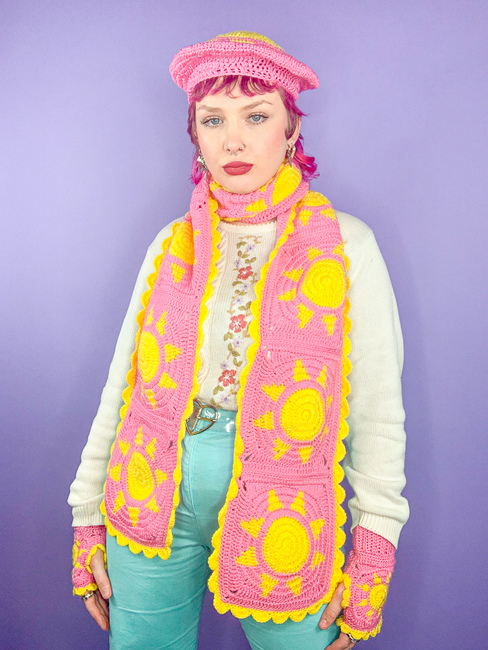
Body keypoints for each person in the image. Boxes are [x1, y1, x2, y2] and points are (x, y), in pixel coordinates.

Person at [68, 31, 409, 650]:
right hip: (149, 483)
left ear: (291, 129)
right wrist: (87, 513)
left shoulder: (347, 245)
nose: (233, 139)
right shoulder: (172, 244)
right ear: (195, 135)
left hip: (286, 503)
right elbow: (121, 389)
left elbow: (377, 413)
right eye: (213, 119)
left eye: (256, 116)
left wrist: (373, 553)